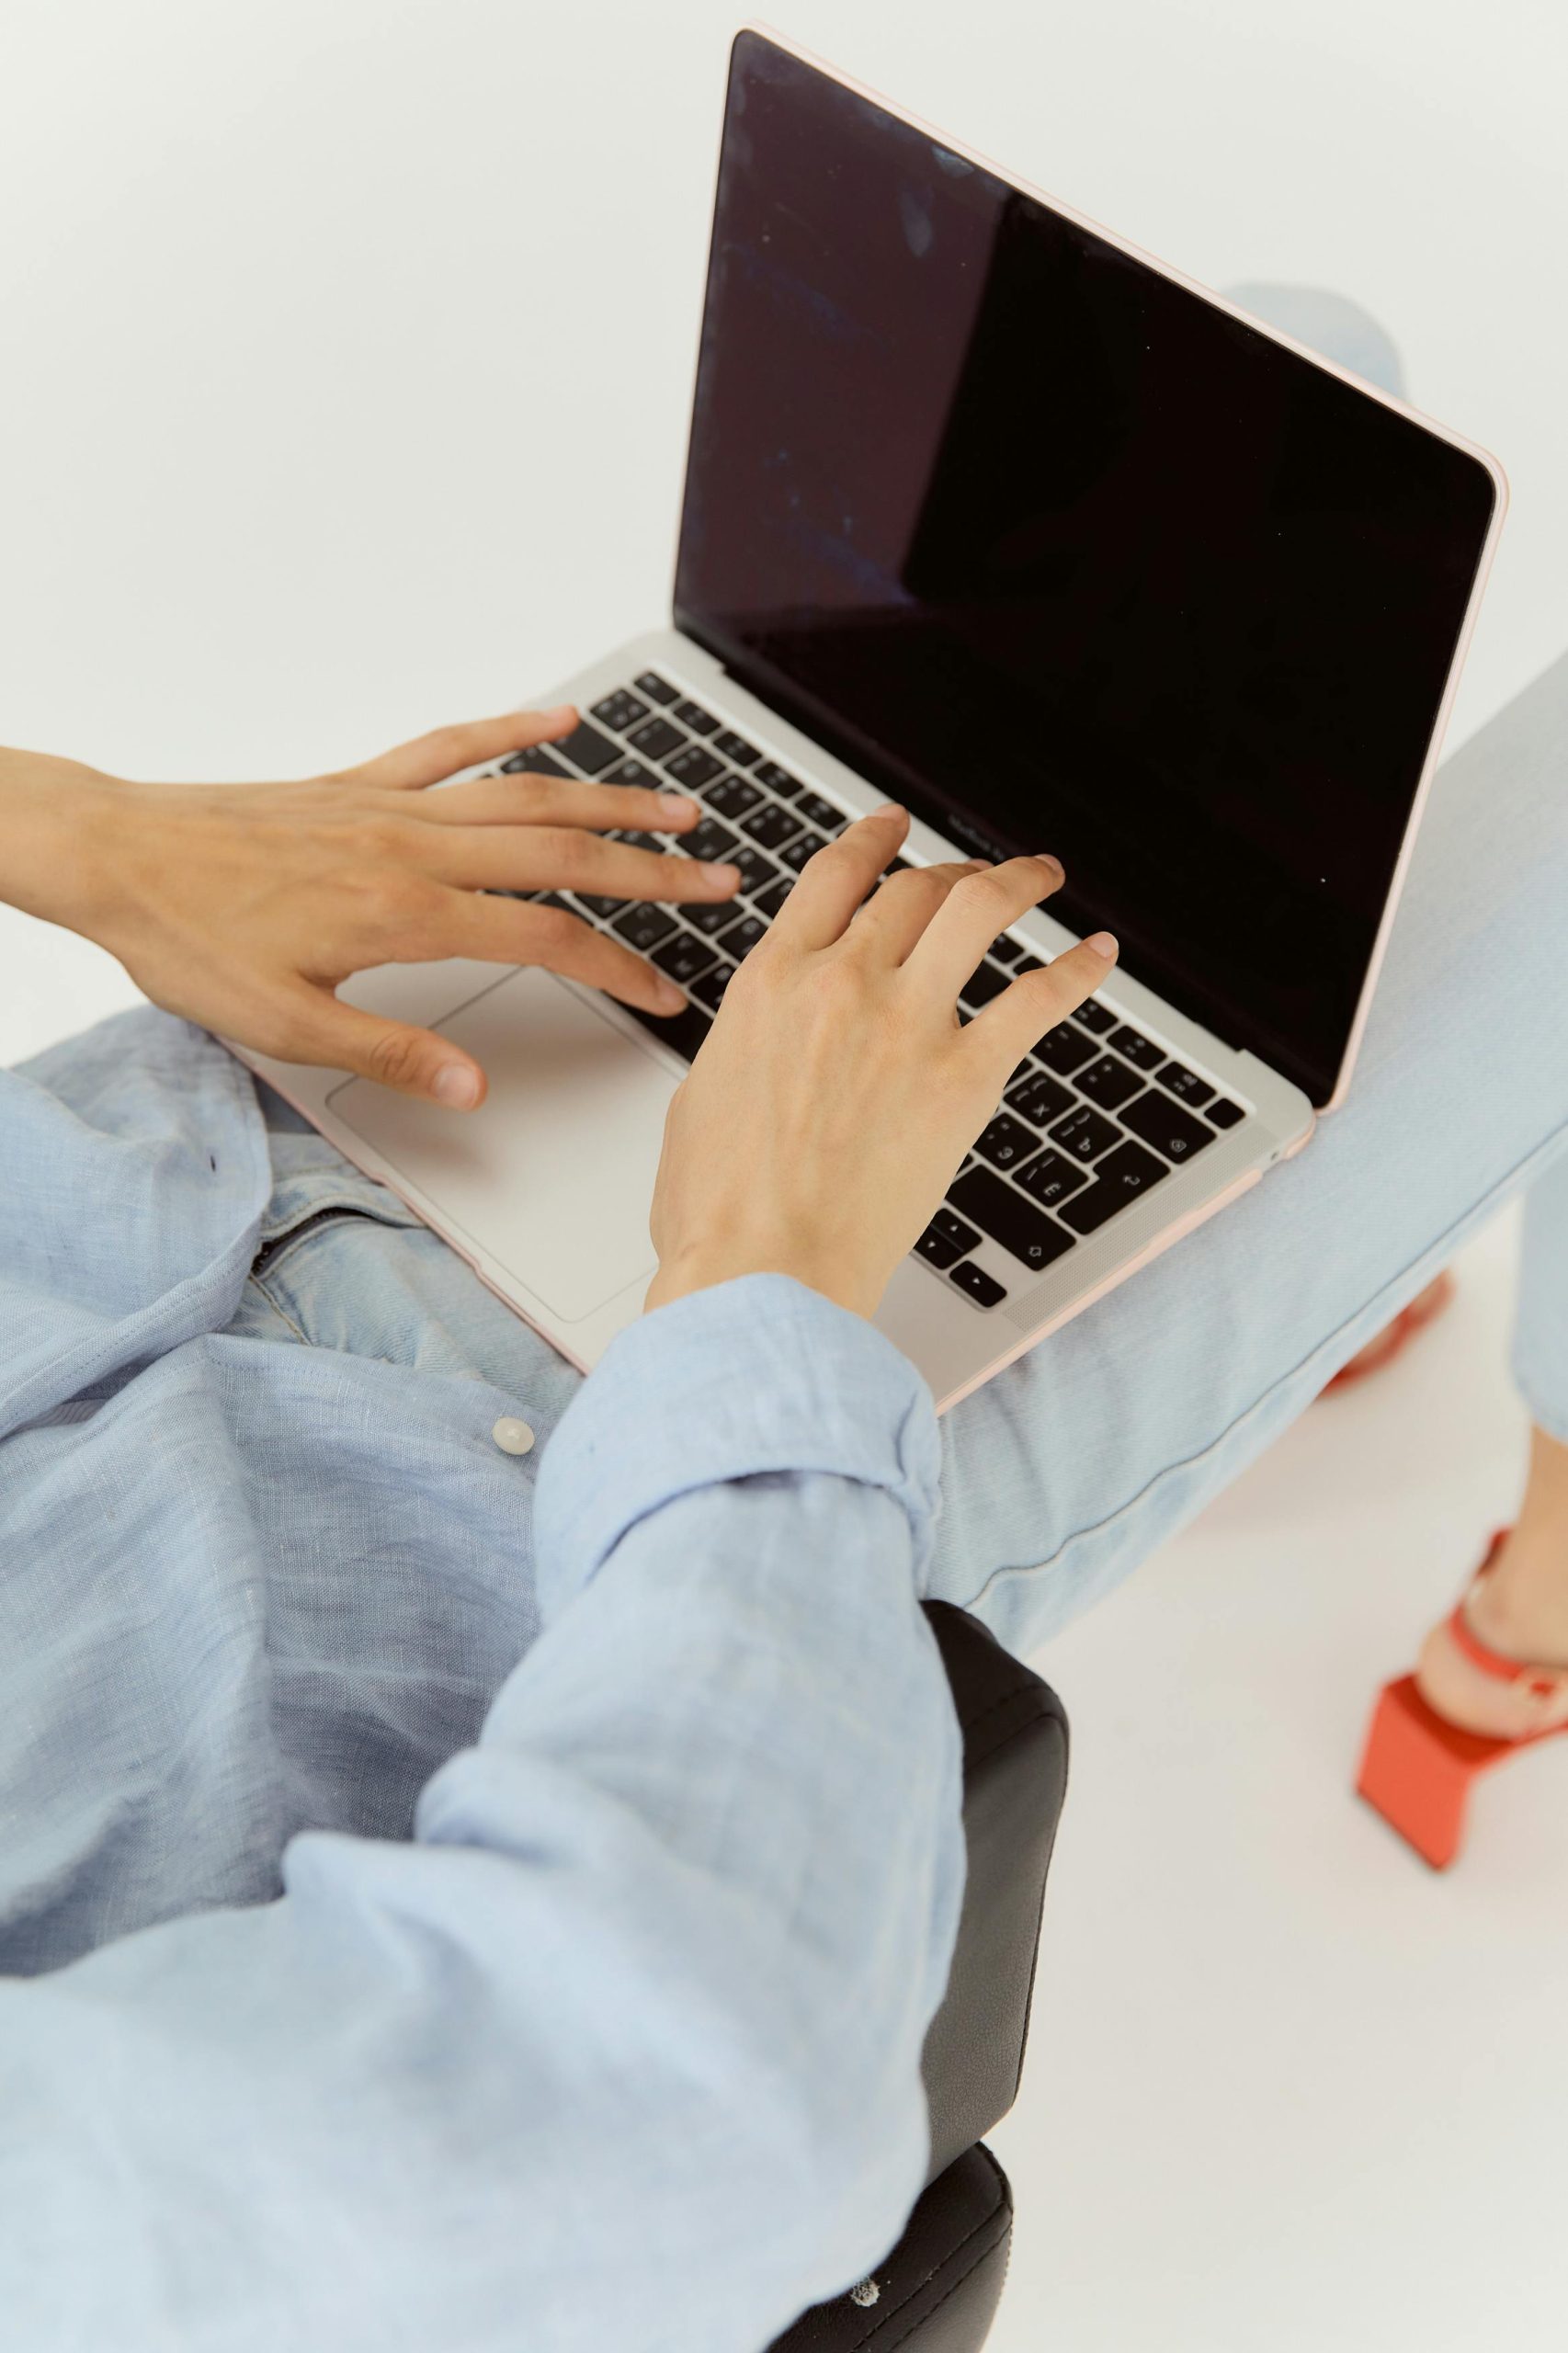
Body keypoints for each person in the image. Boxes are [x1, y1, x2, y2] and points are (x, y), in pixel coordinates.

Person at [1, 290, 1564, 2349]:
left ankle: (1297, 1198)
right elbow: (700, 2095)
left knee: (1267, 395)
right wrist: (760, 1281)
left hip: (211, 1093)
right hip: (632, 1461)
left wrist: (94, 833)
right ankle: (1534, 1586)